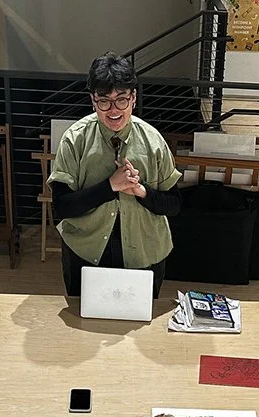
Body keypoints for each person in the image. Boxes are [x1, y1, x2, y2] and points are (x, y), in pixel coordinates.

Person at [49, 52, 182, 299]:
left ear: (133, 98)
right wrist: (110, 186)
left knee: (141, 325)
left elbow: (173, 205)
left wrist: (141, 191)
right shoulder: (74, 139)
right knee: (84, 321)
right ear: (92, 101)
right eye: (104, 101)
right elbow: (61, 207)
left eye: (121, 99)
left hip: (145, 252)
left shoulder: (154, 141)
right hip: (85, 253)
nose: (113, 110)